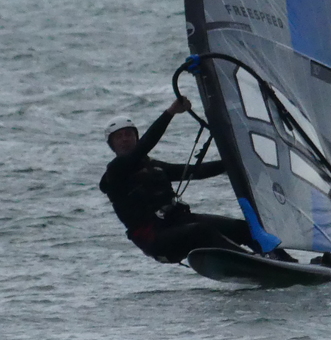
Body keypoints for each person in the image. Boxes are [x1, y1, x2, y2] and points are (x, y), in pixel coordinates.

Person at [100, 97, 293, 264]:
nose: (125, 139)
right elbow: (146, 144)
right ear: (112, 145)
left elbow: (196, 171)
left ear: (135, 137)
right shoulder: (115, 172)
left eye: (128, 134)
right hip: (156, 240)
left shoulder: (153, 167)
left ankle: (286, 262)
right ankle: (253, 263)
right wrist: (170, 112)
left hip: (179, 224)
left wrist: (234, 162)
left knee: (243, 228)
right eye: (119, 137)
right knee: (202, 231)